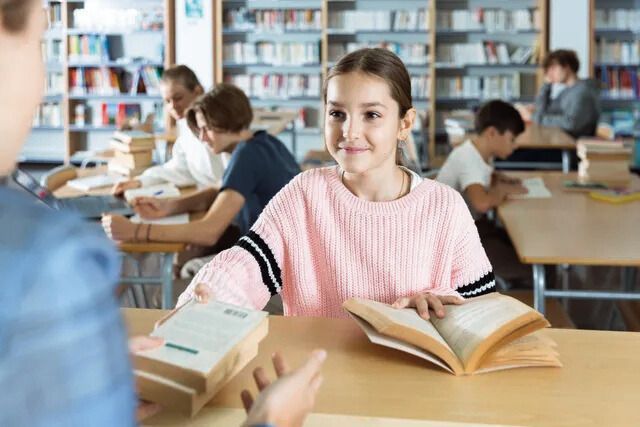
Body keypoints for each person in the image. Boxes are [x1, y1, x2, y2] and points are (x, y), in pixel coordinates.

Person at [0, 1, 323, 425]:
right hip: (274, 267)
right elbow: (221, 193)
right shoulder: (264, 145)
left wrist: (135, 234)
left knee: (187, 257)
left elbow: (212, 224)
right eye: (40, 43)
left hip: (267, 270)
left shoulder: (48, 260)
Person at [178, 48, 496, 320]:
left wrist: (438, 307)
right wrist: (203, 297)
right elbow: (245, 266)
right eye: (337, 113)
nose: (349, 131)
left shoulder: (445, 206)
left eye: (371, 114)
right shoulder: (304, 193)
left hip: (412, 382)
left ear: (405, 123)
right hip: (319, 377)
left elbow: (483, 313)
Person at [102, 84, 301, 252]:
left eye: (207, 128)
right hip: (288, 257)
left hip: (277, 272)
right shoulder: (266, 143)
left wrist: (135, 230)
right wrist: (168, 208)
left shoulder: (246, 156)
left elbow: (208, 232)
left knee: (190, 272)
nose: (203, 138)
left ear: (226, 120)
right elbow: (219, 191)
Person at [112, 65, 225, 195]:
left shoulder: (219, 125)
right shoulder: (186, 128)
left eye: (178, 98)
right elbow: (179, 169)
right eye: (167, 101)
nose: (173, 107)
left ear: (198, 91)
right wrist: (140, 181)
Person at [437, 100, 528, 218]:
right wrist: (505, 191)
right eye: (512, 139)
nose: (515, 145)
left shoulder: (480, 152)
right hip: (448, 232)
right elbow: (482, 203)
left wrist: (497, 177)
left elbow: (481, 173)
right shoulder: (469, 158)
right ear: (492, 133)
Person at [517, 49, 600, 138]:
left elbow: (571, 124)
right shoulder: (567, 92)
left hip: (574, 147)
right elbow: (544, 111)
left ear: (567, 66)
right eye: (548, 70)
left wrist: (532, 117)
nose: (549, 73)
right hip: (563, 140)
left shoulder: (582, 92)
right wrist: (546, 85)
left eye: (553, 68)